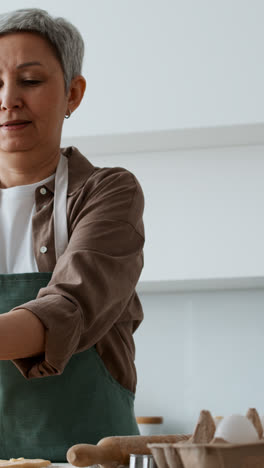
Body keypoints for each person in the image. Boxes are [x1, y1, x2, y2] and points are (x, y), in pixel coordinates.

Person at [0, 8, 145, 462]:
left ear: (72, 94)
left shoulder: (108, 192)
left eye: (30, 80)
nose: (8, 99)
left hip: (90, 456)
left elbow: (70, 307)